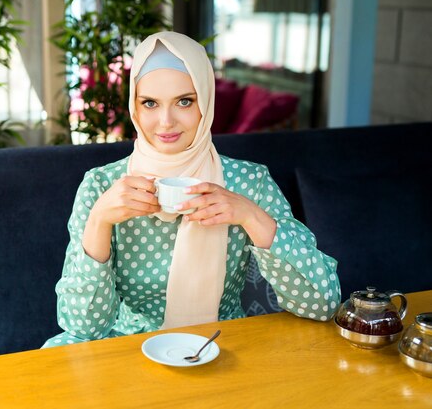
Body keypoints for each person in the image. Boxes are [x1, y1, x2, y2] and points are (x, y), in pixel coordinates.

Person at [43, 31, 340, 348]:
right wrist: (99, 221)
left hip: (223, 345)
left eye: (184, 101)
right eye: (150, 103)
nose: (166, 121)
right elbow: (83, 327)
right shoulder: (102, 186)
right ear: (135, 108)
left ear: (206, 102)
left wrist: (250, 215)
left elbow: (322, 302)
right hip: (128, 347)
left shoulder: (248, 182)